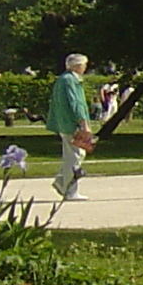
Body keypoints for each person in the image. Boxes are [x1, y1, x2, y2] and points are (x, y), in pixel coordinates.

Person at [45, 52, 95, 201]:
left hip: (64, 123)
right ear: (77, 66)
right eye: (84, 64)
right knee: (74, 157)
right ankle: (69, 190)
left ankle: (61, 182)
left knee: (76, 154)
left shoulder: (62, 79)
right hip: (72, 124)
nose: (85, 67)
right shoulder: (71, 80)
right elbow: (76, 103)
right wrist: (83, 123)